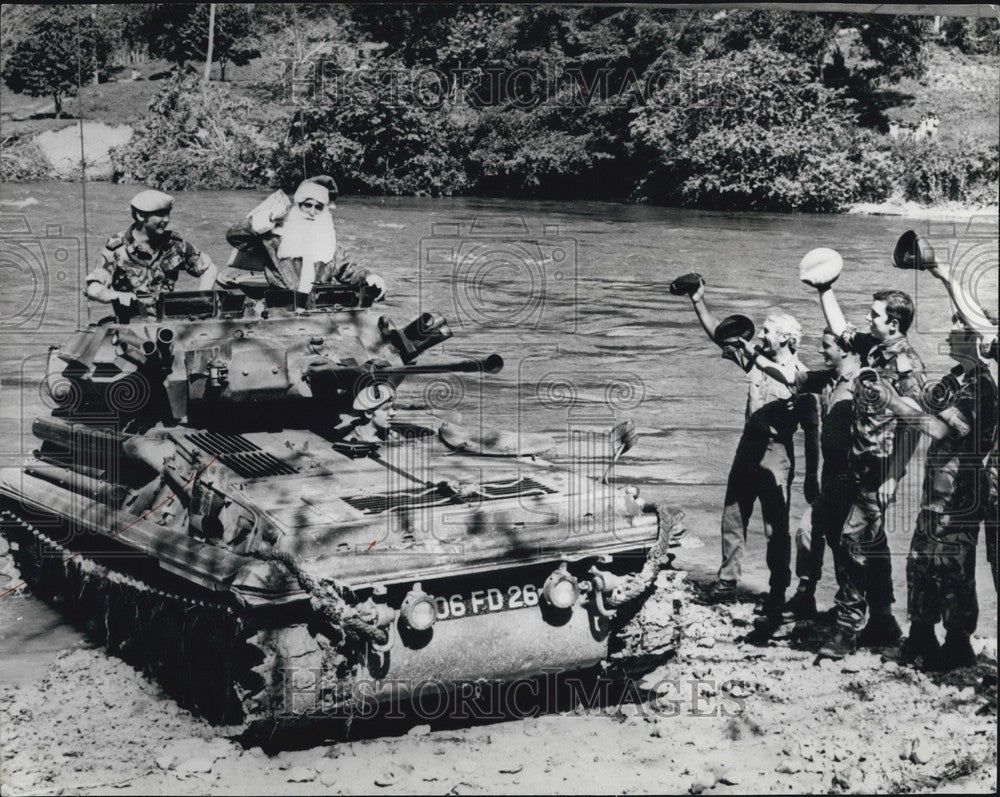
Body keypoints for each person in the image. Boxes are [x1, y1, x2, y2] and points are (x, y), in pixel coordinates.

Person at [688, 285, 817, 617]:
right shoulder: (758, 361)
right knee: (733, 514)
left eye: (767, 331)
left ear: (786, 339)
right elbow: (721, 336)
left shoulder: (802, 377)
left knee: (776, 527)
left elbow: (811, 430)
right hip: (748, 445)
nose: (760, 335)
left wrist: (812, 476)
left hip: (777, 453)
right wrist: (698, 300)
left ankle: (777, 590)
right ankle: (727, 582)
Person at [812, 284, 927, 658]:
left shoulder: (907, 365)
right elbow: (841, 327)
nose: (867, 317)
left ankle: (846, 629)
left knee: (853, 541)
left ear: (893, 324)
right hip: (856, 466)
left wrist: (893, 475)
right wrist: (824, 288)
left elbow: (916, 424)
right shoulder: (874, 348)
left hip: (878, 472)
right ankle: (883, 620)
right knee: (871, 544)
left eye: (874, 314)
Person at [878, 313, 997, 669]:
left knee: (953, 567)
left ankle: (957, 644)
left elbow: (943, 429)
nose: (948, 335)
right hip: (938, 489)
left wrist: (894, 402)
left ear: (974, 339)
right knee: (922, 560)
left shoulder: (982, 386)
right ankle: (921, 635)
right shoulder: (957, 378)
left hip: (961, 492)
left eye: (956, 330)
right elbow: (927, 408)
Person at [736, 328, 862, 621]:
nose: (819, 350)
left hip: (852, 477)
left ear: (844, 350)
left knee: (844, 543)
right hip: (832, 475)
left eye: (826, 346)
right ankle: (807, 594)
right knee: (809, 529)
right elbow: (788, 377)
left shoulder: (861, 382)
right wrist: (752, 353)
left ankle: (859, 610)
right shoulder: (827, 378)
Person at [225, 178, 386, 299]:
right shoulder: (274, 238)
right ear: (298, 206)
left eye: (318, 207)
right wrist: (267, 218)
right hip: (280, 305)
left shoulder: (329, 243)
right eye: (307, 205)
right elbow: (235, 236)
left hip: (318, 305)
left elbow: (349, 270)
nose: (312, 212)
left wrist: (369, 277)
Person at [84, 189, 218, 316]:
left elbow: (209, 267)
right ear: (140, 215)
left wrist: (202, 297)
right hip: (131, 324)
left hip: (168, 322)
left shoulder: (174, 244)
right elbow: (93, 288)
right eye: (160, 214)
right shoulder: (118, 248)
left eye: (168, 213)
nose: (167, 219)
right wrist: (118, 296)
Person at [332, 384, 399, 443]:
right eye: (386, 409)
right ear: (368, 413)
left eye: (393, 408)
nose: (393, 413)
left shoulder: (390, 436)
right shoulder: (351, 442)